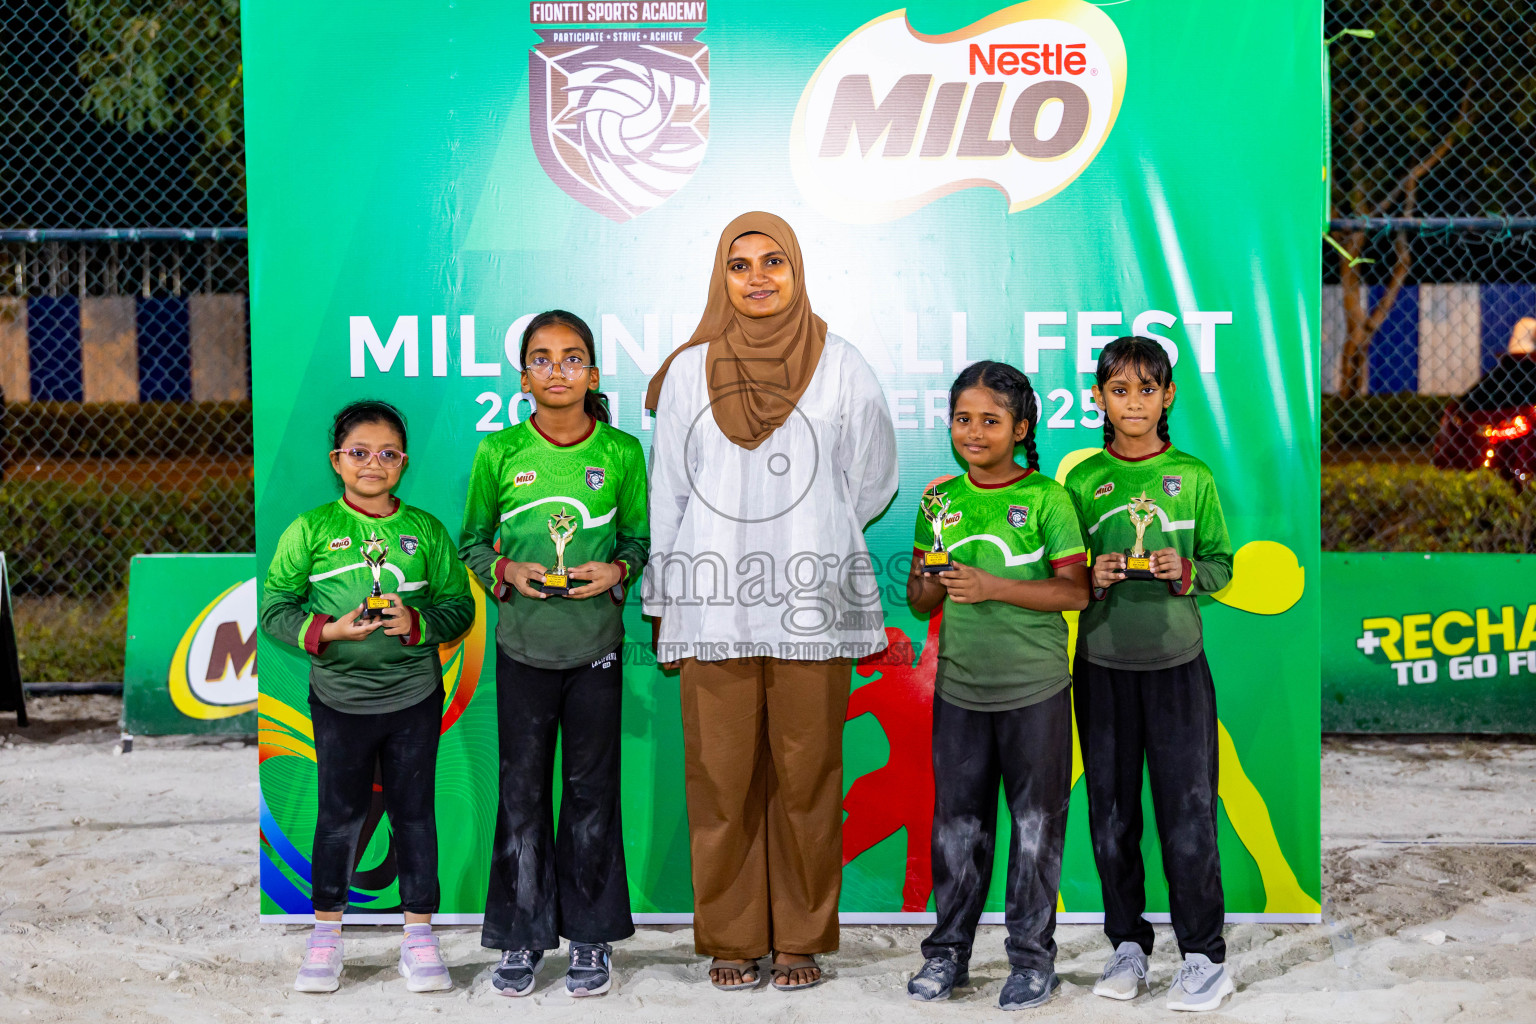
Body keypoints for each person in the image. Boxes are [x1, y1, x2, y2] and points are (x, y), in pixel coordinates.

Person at [642, 212, 898, 991]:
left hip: (811, 606)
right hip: (712, 607)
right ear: (721, 278)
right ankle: (731, 938)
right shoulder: (688, 373)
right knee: (719, 781)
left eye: (773, 262)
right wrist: (667, 595)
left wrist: (809, 535)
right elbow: (670, 495)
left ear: (798, 270)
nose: (757, 279)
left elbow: (873, 475)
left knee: (808, 778)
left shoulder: (843, 364)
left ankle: (800, 939)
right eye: (740, 265)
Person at [459, 309, 649, 999]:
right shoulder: (499, 453)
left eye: (573, 359)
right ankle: (521, 938)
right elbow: (473, 541)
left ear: (593, 374)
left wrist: (617, 572)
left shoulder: (621, 452)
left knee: (593, 795)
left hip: (596, 649)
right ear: (524, 377)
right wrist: (506, 574)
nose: (558, 370)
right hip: (522, 651)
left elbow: (638, 540)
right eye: (543, 358)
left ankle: (591, 938)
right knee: (521, 795)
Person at [261, 400, 474, 994]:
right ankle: (326, 936)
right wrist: (328, 630)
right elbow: (275, 608)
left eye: (387, 454)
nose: (372, 463)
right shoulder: (311, 529)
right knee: (338, 818)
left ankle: (419, 936)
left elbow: (459, 607)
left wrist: (415, 622)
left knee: (414, 814)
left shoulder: (426, 531)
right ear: (337, 461)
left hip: (413, 698)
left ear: (403, 463)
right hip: (339, 701)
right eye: (359, 453)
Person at [904, 361, 1088, 1010]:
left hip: (1034, 689)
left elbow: (1076, 589)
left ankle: (1033, 961)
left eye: (990, 420)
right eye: (963, 419)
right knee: (957, 828)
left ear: (1021, 428)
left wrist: (992, 586)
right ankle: (947, 955)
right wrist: (932, 575)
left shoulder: (1046, 499)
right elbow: (921, 600)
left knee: (1035, 828)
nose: (974, 432)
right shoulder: (939, 499)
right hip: (960, 689)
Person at [1064, 336, 1235, 1012]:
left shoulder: (1191, 477)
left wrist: (1187, 571)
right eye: (1118, 389)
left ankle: (1204, 956)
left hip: (1176, 669)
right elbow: (1061, 571)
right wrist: (1091, 576)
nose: (1132, 401)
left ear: (1168, 396)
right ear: (1099, 399)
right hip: (1101, 667)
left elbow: (1222, 562)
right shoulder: (1082, 482)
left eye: (1146, 388)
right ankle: (1127, 946)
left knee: (1188, 814)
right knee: (1111, 816)